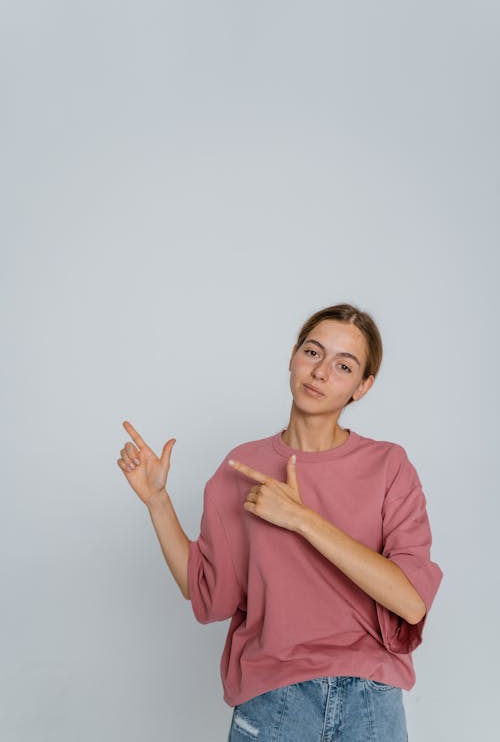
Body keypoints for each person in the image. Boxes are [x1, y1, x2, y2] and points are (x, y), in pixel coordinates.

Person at [117, 302, 443, 742]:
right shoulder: (240, 469)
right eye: (313, 353)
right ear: (293, 356)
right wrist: (157, 501)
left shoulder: (388, 465)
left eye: (343, 366)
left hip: (371, 701)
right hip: (275, 702)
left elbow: (410, 603)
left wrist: (301, 519)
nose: (321, 372)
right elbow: (206, 594)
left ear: (362, 387)